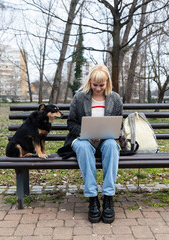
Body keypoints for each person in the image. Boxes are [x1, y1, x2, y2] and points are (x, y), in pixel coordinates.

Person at [57, 65, 123, 224]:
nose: (98, 88)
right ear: (90, 82)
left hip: (104, 141)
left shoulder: (115, 98)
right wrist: (86, 133)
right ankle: (93, 197)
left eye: (102, 85)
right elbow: (71, 123)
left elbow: (118, 124)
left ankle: (108, 196)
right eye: (95, 85)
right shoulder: (79, 98)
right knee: (85, 147)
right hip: (82, 140)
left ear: (107, 82)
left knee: (112, 146)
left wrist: (107, 133)